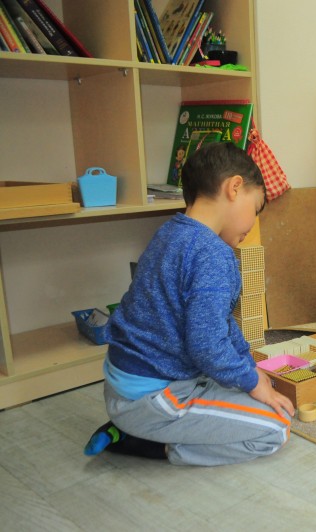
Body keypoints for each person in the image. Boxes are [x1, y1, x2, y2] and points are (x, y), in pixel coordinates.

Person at [84, 142, 295, 466]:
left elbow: (220, 323)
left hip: (127, 387)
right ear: (234, 188)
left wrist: (248, 368)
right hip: (151, 398)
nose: (252, 224)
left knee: (240, 381)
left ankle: (134, 426)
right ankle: (146, 441)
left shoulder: (170, 232)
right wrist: (254, 383)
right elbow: (207, 345)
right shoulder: (212, 254)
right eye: (255, 209)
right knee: (276, 427)